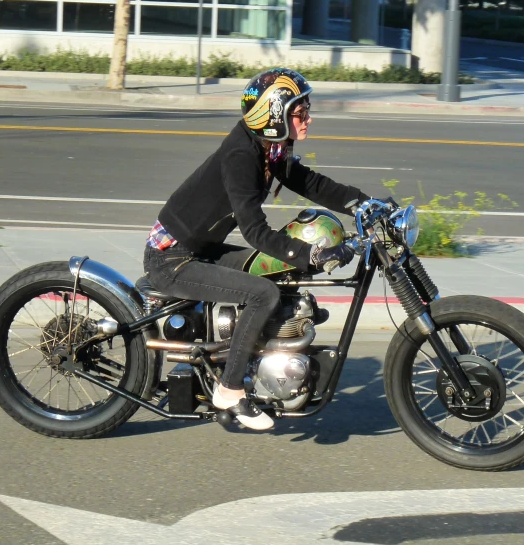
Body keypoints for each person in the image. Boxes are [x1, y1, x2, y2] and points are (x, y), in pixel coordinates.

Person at [143, 68, 369, 430]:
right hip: (172, 259)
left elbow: (307, 181)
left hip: (200, 248)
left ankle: (256, 358)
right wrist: (308, 254)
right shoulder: (241, 155)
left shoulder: (268, 147)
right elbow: (254, 230)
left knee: (279, 272)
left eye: (307, 109)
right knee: (263, 294)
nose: (308, 118)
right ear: (274, 114)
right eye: (300, 111)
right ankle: (230, 390)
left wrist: (364, 204)